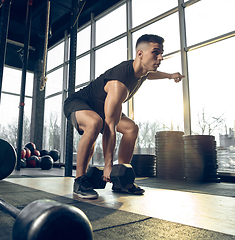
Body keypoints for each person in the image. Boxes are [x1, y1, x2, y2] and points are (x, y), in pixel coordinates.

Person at [63, 34, 185, 199]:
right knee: (95, 123)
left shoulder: (143, 70)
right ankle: (79, 181)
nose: (160, 57)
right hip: (79, 102)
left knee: (131, 128)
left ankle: (121, 179)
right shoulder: (118, 84)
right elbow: (110, 127)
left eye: (161, 53)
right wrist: (107, 166)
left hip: (101, 107)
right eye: (155, 53)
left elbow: (151, 74)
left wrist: (170, 76)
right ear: (140, 54)